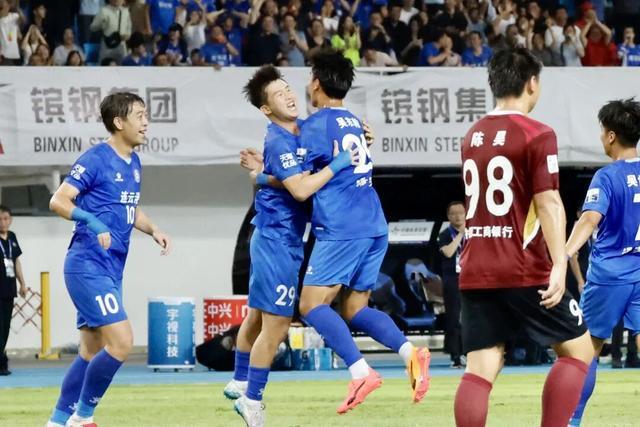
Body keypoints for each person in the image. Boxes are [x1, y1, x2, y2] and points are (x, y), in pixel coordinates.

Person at [454, 48, 594, 427]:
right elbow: (548, 202)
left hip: (476, 265)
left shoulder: (472, 135)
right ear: (532, 83)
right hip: (523, 266)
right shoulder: (537, 133)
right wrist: (560, 263)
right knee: (579, 352)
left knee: (481, 367)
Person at [297, 49, 430, 414]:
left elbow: (297, 177)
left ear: (317, 83)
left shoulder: (316, 125)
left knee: (310, 304)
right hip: (373, 223)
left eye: (309, 78)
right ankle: (410, 353)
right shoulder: (353, 121)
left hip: (343, 226)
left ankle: (360, 372)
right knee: (355, 309)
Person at [224, 65, 357, 427]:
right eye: (279, 94)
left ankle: (239, 380)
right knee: (278, 324)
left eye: (288, 89)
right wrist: (339, 163)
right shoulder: (279, 140)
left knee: (257, 314)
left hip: (283, 237)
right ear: (266, 108)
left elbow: (285, 177)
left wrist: (262, 174)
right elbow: (299, 189)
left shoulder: (302, 131)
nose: (290, 96)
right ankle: (252, 399)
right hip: (275, 238)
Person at [46, 92, 171, 427]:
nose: (146, 122)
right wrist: (92, 221)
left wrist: (153, 229)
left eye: (146, 115)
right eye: (139, 115)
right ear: (119, 122)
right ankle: (82, 417)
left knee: (90, 351)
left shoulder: (134, 162)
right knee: (122, 342)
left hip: (111, 269)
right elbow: (58, 200)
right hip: (87, 265)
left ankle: (57, 421)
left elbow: (129, 207)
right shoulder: (96, 158)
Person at [566, 98, 640, 427]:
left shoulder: (607, 176)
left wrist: (564, 255)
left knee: (587, 349)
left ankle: (572, 421)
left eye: (601, 132)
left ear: (611, 136)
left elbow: (589, 219)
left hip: (609, 274)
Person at [0, 206, 28, 376]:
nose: (3, 222)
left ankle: (1, 361)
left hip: (9, 289)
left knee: (5, 327)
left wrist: (22, 283)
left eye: (5, 218)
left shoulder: (12, 237)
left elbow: (16, 261)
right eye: (0, 219)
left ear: (10, 220)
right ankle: (1, 362)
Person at [438, 201, 465, 368]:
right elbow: (448, 252)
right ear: (449, 216)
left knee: (470, 318)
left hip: (470, 278)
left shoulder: (474, 233)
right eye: (454, 214)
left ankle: (469, 352)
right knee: (454, 318)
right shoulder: (445, 234)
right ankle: (455, 356)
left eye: (461, 213)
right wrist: (461, 234)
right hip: (452, 280)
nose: (458, 217)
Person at [90, 0, 132, 64]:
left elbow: (129, 27)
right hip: (107, 45)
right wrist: (101, 23)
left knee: (123, 67)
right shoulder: (103, 11)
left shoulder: (126, 12)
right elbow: (92, 27)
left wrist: (127, 35)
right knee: (103, 67)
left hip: (121, 45)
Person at [0, 0, 24, 65]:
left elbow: (22, 19)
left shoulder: (13, 16)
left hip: (12, 53)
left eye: (3, 2)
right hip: (2, 54)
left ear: (9, 6)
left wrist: (17, 6)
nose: (1, 3)